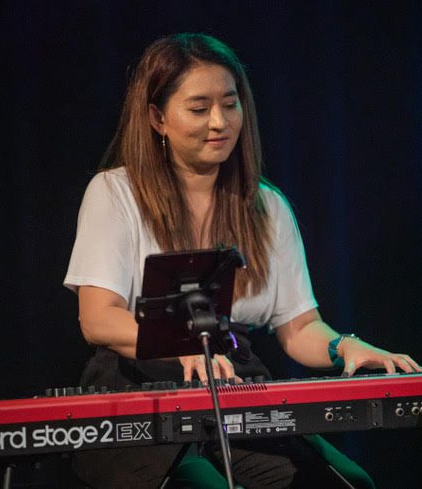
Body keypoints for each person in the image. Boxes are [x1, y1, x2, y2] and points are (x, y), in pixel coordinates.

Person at [64, 33, 420, 488]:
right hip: (136, 395)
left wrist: (343, 346)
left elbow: (299, 328)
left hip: (234, 386)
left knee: (344, 483)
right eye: (199, 109)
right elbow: (98, 318)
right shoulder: (115, 193)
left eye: (230, 105)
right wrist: (182, 345)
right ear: (158, 118)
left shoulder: (267, 205)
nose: (220, 122)